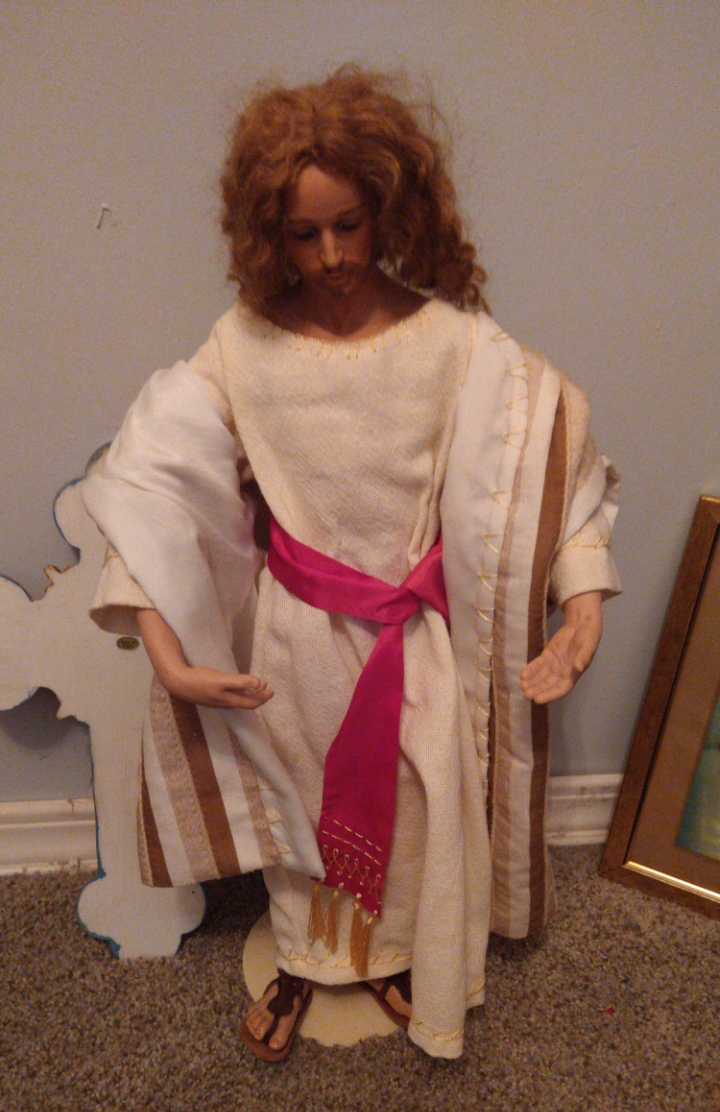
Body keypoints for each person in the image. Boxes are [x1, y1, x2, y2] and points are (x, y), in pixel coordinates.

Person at [84, 67, 621, 1061]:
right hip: (295, 638)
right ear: (268, 234)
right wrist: (167, 652)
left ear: (390, 209)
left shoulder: (453, 342)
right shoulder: (242, 346)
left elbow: (549, 465)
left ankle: (393, 950)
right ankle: (303, 957)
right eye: (304, 233)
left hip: (413, 639)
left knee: (412, 803)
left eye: (350, 225)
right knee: (299, 796)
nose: (331, 255)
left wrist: (581, 607)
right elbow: (154, 487)